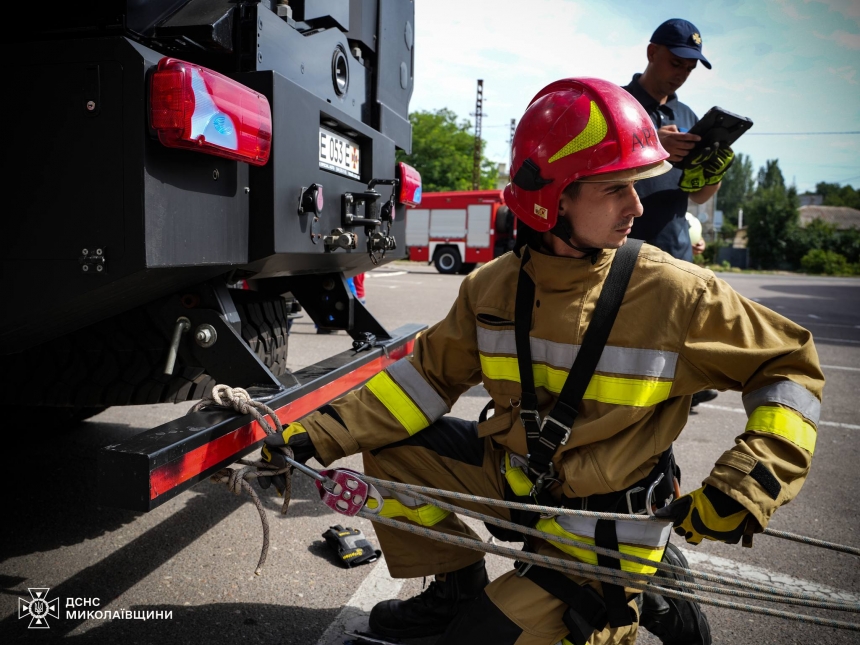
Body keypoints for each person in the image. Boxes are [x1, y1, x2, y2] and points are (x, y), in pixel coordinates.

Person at [258, 78, 823, 645]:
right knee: (390, 449)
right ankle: (455, 591)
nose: (637, 205)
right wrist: (318, 436)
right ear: (552, 199)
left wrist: (748, 483)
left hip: (605, 528)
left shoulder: (674, 291)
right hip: (522, 486)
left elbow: (790, 367)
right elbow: (422, 379)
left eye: (637, 185)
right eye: (615, 188)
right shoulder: (492, 288)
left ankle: (626, 591)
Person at [623, 18, 730, 408]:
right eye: (675, 63)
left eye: (689, 69)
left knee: (677, 327)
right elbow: (593, 169)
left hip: (674, 240)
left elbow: (700, 195)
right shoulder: (617, 104)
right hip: (625, 238)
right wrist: (650, 141)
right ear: (652, 53)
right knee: (625, 332)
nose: (681, 75)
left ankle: (677, 387)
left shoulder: (688, 115)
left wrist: (714, 173)